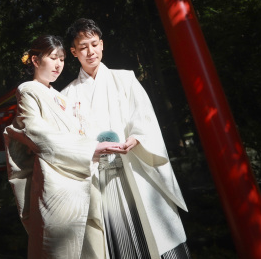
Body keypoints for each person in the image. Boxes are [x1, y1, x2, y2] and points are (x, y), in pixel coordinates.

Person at [61, 18, 190, 259]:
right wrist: (90, 150)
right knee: (119, 241)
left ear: (102, 45)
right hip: (100, 178)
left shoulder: (125, 79)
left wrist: (138, 138)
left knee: (156, 231)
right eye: (83, 47)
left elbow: (145, 119)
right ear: (73, 52)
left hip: (135, 167)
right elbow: (68, 141)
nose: (90, 52)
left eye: (94, 44)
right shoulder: (67, 95)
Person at [4, 35, 125, 259]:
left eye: (61, 59)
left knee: (93, 246)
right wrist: (90, 149)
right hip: (54, 181)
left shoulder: (62, 97)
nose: (59, 64)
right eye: (52, 58)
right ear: (35, 60)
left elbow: (78, 132)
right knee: (59, 249)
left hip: (80, 176)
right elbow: (38, 135)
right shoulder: (28, 90)